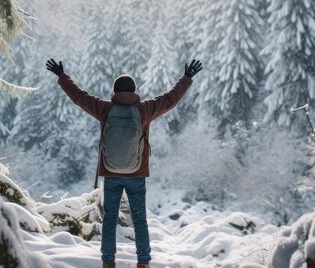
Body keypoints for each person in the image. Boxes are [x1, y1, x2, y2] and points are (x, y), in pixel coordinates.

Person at [46, 58, 202, 268]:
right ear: (134, 90)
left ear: (115, 91)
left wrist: (62, 76)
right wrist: (186, 78)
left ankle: (109, 262)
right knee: (140, 220)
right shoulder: (144, 110)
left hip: (110, 172)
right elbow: (169, 99)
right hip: (136, 174)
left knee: (109, 220)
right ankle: (143, 263)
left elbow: (79, 97)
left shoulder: (105, 109)